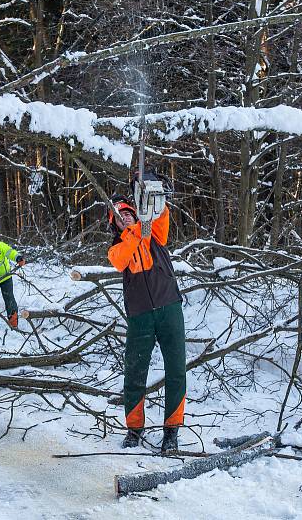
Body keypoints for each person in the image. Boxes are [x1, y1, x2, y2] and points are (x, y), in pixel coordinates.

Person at [107, 188, 186, 452]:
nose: (125, 218)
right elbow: (121, 261)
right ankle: (134, 429)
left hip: (169, 307)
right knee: (135, 372)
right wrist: (134, 232)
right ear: (115, 225)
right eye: (119, 218)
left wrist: (152, 196)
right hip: (139, 315)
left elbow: (162, 217)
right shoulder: (116, 249)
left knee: (176, 369)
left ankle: (171, 430)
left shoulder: (152, 231)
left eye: (127, 213)